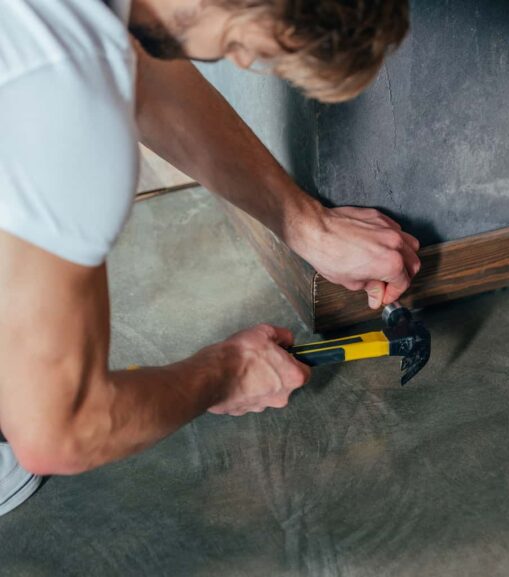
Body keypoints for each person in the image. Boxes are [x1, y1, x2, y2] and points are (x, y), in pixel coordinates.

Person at [0, 0, 419, 517]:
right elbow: (63, 429)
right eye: (243, 45)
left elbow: (141, 69)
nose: (240, 64)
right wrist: (226, 372)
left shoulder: (74, 27)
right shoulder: (65, 103)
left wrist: (309, 226)